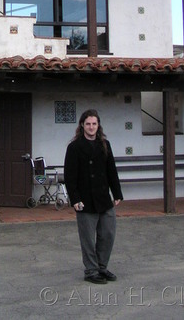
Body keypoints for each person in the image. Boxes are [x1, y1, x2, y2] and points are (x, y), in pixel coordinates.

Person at [64, 108, 123, 284]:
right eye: (88, 124)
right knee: (88, 239)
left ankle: (102, 267)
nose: (91, 127)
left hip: (103, 198)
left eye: (94, 124)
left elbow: (111, 170)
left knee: (108, 234)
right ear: (82, 125)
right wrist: (74, 199)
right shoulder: (74, 147)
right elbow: (70, 176)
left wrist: (117, 192)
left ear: (98, 126)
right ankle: (91, 271)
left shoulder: (105, 144)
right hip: (84, 200)